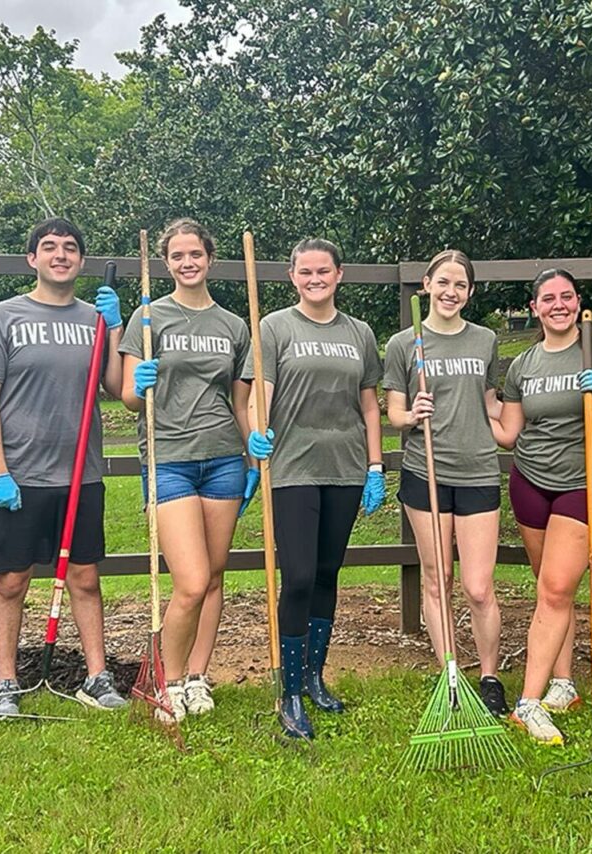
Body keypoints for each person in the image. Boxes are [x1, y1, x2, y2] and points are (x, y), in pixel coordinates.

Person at [0, 217, 127, 717]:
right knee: (12, 580)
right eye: (50, 247)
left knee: (85, 577)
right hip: (19, 474)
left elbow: (114, 389)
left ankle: (97, 677)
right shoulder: (3, 317)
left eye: (71, 248)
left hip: (81, 474)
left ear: (80, 261)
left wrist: (117, 326)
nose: (61, 255)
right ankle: (6, 684)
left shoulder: (94, 319)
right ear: (32, 259)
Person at [243, 238, 386, 739]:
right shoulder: (275, 326)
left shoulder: (360, 333)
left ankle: (314, 677)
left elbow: (369, 405)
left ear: (339, 274)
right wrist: (256, 429)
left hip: (345, 466)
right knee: (299, 575)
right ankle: (289, 692)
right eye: (305, 272)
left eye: (323, 271)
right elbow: (260, 392)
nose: (314, 279)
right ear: (292, 276)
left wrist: (375, 465)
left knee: (328, 573)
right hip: (293, 467)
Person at [491, 269, 592, 744]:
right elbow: (509, 433)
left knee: (554, 589)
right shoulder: (523, 365)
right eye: (547, 298)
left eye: (566, 297)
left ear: (578, 302)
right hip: (529, 482)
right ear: (534, 307)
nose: (558, 305)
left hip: (584, 485)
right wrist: (464, 406)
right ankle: (564, 684)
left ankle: (527, 704)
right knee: (552, 591)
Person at [119, 218, 253, 719]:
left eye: (195, 254)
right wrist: (142, 382)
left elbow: (241, 403)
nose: (187, 263)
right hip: (169, 457)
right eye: (177, 256)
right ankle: (165, 680)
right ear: (166, 262)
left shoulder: (233, 326)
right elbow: (130, 398)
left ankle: (197, 676)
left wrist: (251, 448)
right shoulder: (149, 317)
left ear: (209, 259)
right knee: (191, 581)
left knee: (216, 576)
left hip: (222, 459)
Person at [383, 250, 508, 716]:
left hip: (476, 469)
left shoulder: (486, 340)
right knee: (438, 580)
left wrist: (522, 421)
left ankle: (490, 676)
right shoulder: (404, 343)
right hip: (426, 471)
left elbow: (492, 402)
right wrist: (412, 413)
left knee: (478, 587)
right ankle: (450, 676)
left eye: (460, 285)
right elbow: (394, 412)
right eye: (443, 283)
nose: (451, 292)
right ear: (427, 285)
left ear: (470, 292)